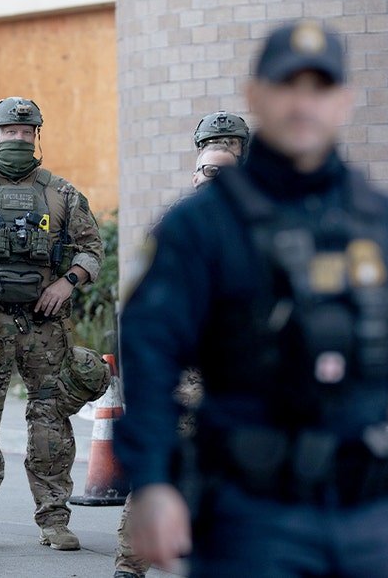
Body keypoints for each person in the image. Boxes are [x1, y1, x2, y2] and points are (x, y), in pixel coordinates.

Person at [116, 20, 388, 577]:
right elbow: (148, 353)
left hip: (369, 514)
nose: (303, 103)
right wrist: (152, 479)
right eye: (286, 85)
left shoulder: (378, 219)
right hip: (252, 516)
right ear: (256, 96)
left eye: (320, 88)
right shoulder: (201, 225)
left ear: (343, 101)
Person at [0, 96, 104, 551]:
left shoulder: (62, 193)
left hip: (45, 325)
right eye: (8, 132)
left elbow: (91, 249)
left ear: (36, 136)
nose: (18, 139)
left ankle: (54, 521)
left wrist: (67, 283)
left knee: (50, 426)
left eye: (26, 132)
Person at [112, 128, 242, 578]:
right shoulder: (173, 227)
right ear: (194, 175)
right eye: (207, 171)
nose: (213, 180)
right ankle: (130, 565)